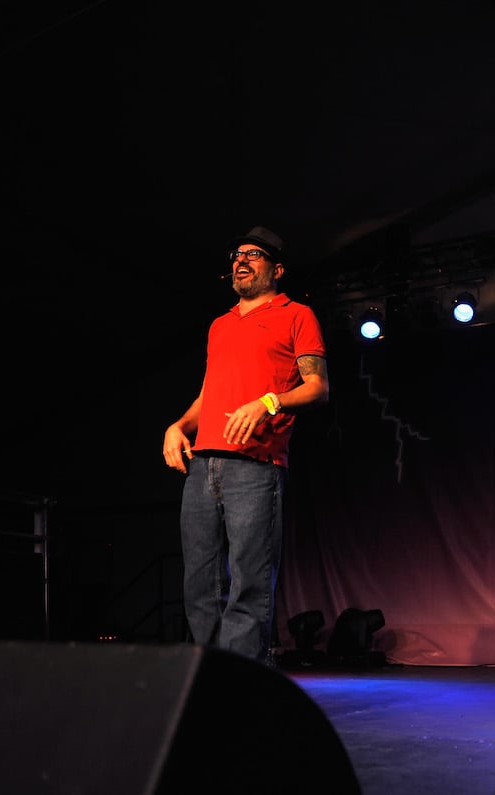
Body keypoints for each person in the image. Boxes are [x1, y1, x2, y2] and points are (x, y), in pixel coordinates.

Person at [162, 225, 329, 666]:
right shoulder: (220, 325)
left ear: (277, 269)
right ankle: (211, 672)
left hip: (256, 464)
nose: (241, 260)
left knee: (249, 581)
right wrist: (178, 425)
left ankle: (242, 681)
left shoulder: (296, 315)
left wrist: (269, 402)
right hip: (203, 464)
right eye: (237, 254)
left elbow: (317, 387)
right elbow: (209, 394)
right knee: (199, 583)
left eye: (254, 255)